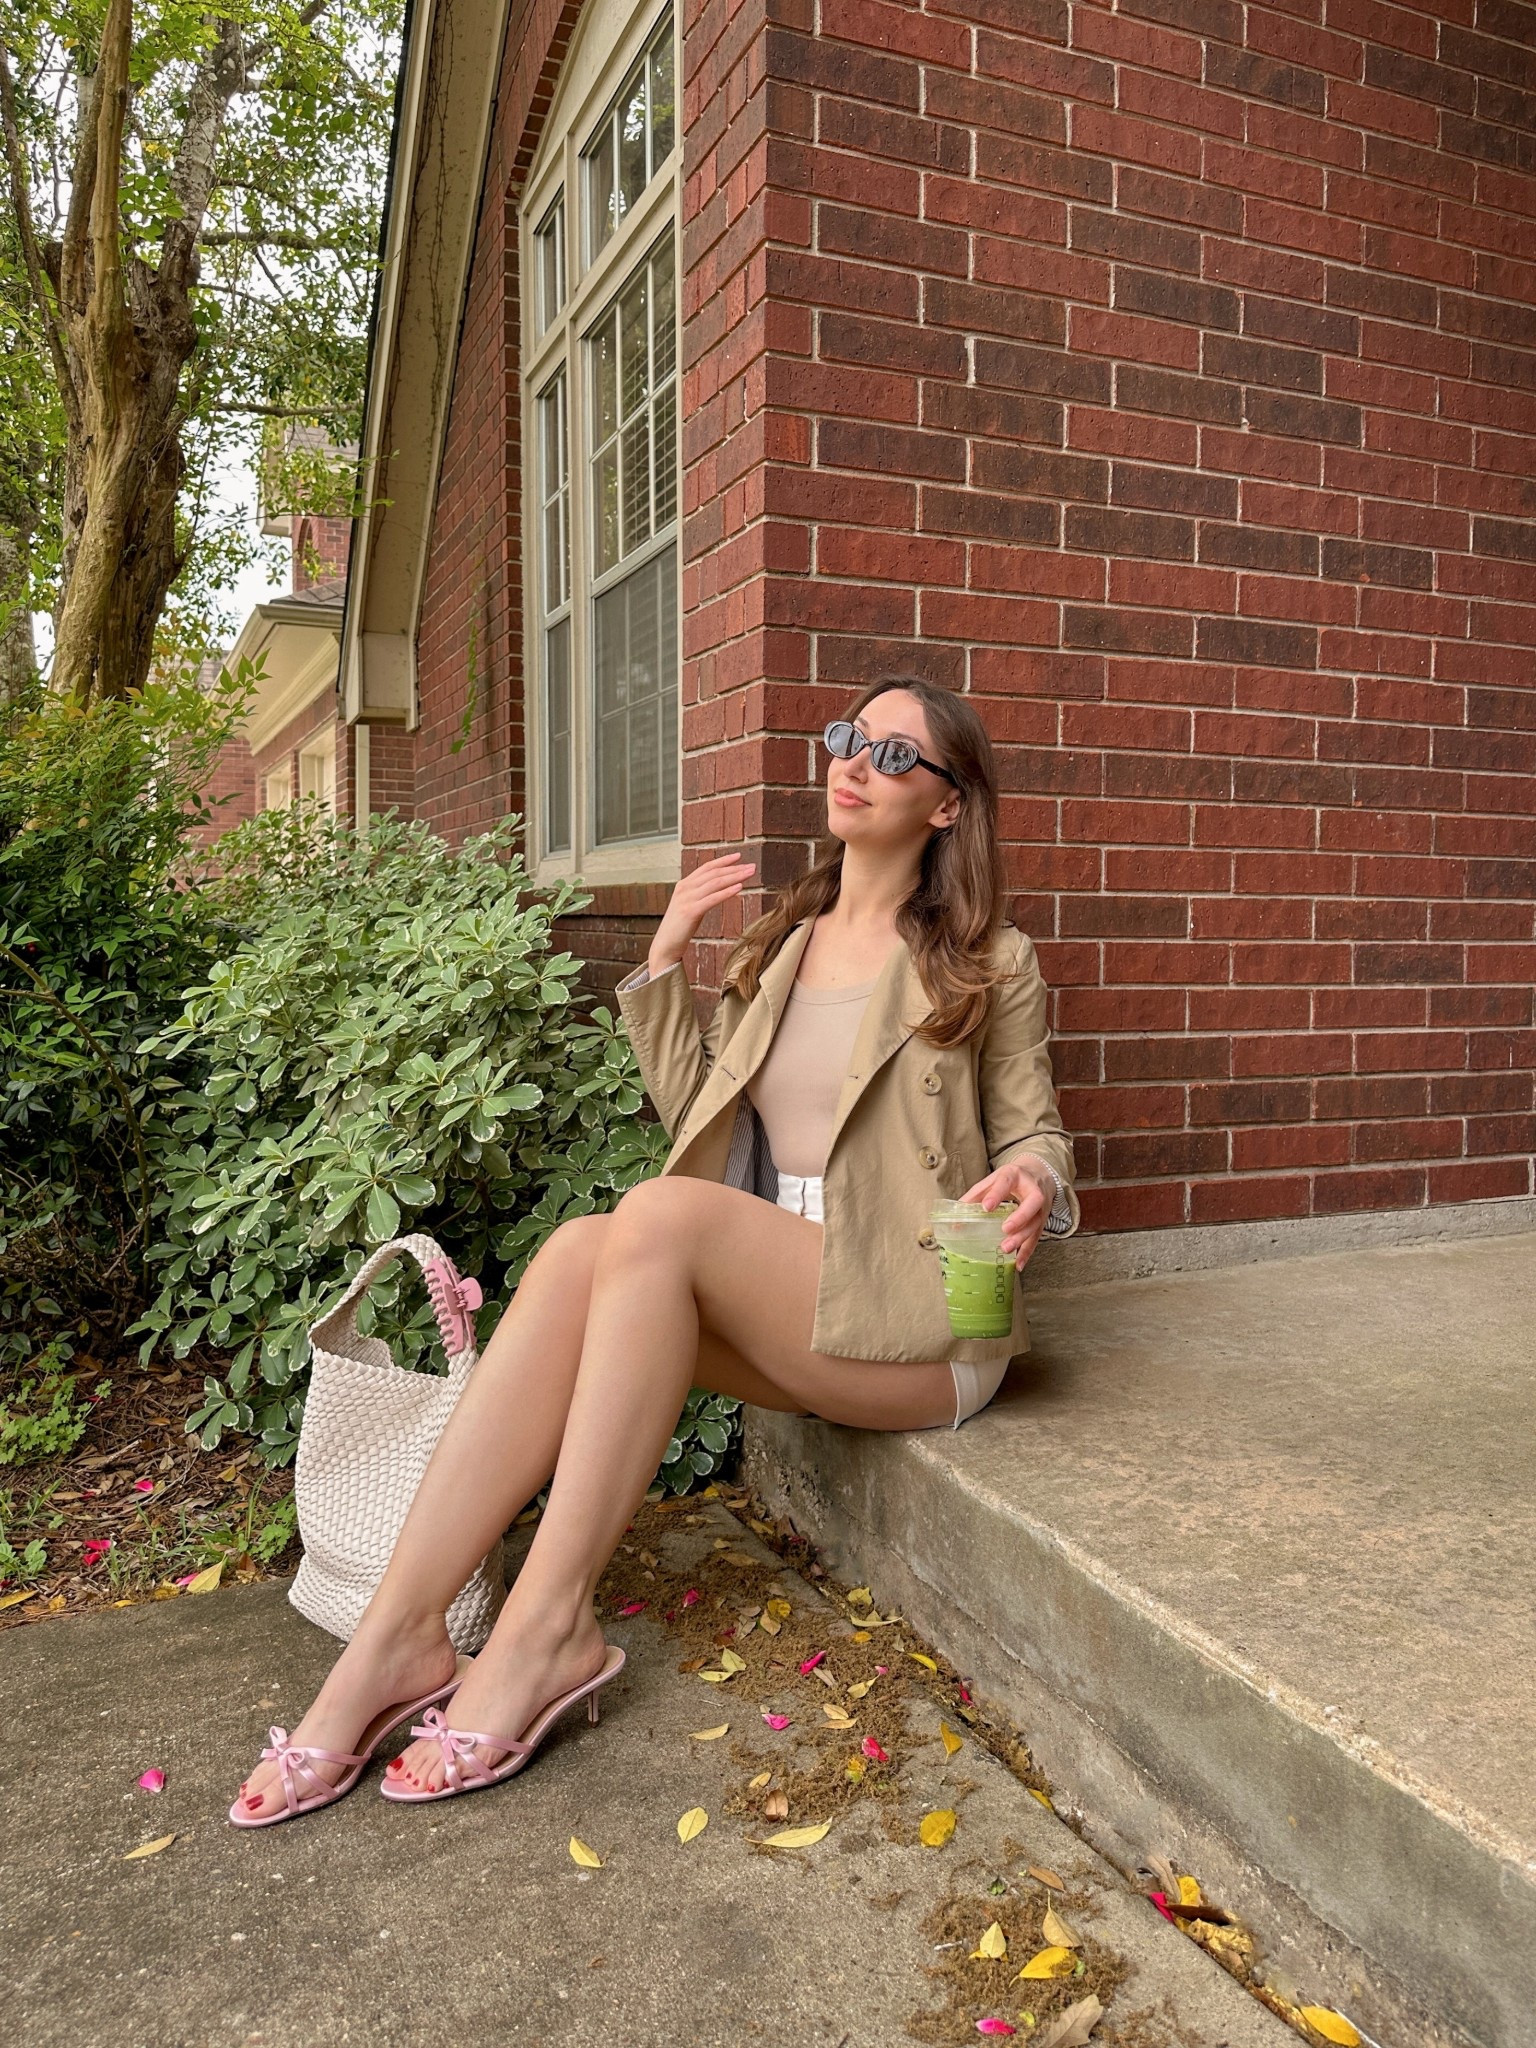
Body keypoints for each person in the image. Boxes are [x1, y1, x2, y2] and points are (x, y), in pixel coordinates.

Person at [230, 677, 1077, 1822]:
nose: (855, 759)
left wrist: (1030, 1182)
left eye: (892, 750)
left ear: (947, 804)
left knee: (654, 1219)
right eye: (846, 737)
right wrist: (665, 961)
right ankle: (398, 1634)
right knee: (589, 1244)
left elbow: (1034, 1130)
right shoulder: (784, 945)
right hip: (789, 1291)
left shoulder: (988, 958)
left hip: (920, 1310)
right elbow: (702, 1120)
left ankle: (542, 1630)